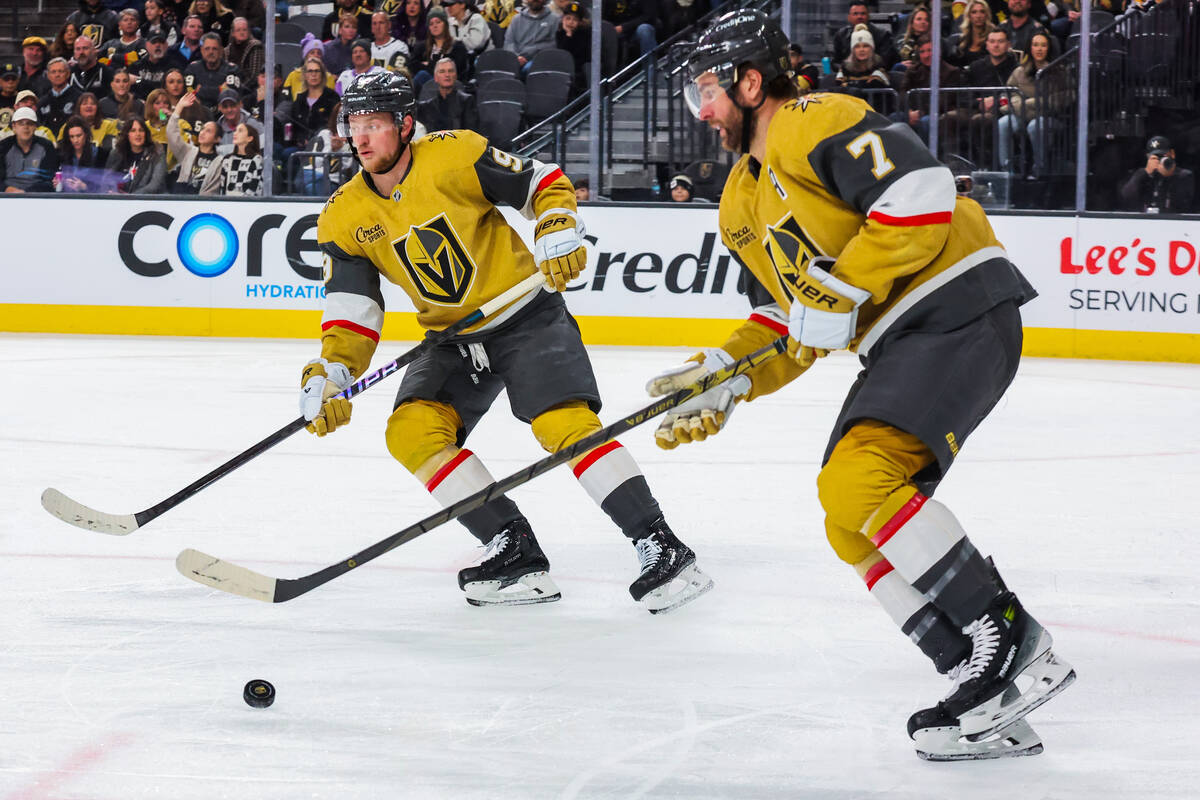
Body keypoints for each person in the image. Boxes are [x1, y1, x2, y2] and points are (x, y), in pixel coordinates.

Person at [668, 8, 1074, 760]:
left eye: (708, 92)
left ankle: (1008, 636)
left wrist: (840, 288)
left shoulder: (810, 118)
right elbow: (793, 322)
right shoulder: (738, 204)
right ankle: (979, 681)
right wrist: (725, 373)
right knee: (846, 518)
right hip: (901, 337)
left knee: (858, 481)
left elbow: (921, 190)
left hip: (955, 301)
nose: (704, 111)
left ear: (750, 83)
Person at [304, 71, 712, 613]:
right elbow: (353, 310)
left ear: (404, 124)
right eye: (353, 125)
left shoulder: (455, 155)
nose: (360, 139)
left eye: (374, 124)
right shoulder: (343, 214)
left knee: (563, 426)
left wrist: (557, 227)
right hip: (452, 340)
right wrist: (332, 371)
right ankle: (513, 548)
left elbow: (542, 182)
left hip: (526, 317)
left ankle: (660, 545)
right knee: (411, 431)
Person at [996, 30, 1064, 174]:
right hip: (1023, 115)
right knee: (1003, 123)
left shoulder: (1059, 71)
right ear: (1030, 48)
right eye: (1035, 45)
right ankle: (1006, 171)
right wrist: (1016, 101)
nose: (1039, 49)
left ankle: (1040, 169)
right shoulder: (1019, 71)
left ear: (1049, 48)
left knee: (1035, 126)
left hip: (1051, 118)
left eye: (1043, 45)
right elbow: (1008, 93)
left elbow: (1066, 96)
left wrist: (1028, 103)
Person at [1120, 135, 1195, 213]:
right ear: (1148, 157)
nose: (1160, 160)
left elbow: (1184, 203)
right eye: (1156, 157)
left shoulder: (1184, 175)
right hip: (1145, 221)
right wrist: (1145, 173)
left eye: (1163, 156)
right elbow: (1126, 198)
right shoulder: (1142, 175)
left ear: (1172, 154)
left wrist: (1170, 174)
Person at [167, 89, 222, 192]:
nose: (202, 132)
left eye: (208, 131)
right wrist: (179, 107)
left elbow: (214, 190)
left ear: (217, 139)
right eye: (202, 129)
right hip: (181, 200)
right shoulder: (188, 151)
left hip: (204, 204)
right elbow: (171, 133)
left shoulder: (220, 161)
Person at [0, 107, 60, 192]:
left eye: (30, 123)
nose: (26, 127)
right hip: (6, 195)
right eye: (21, 123)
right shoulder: (3, 146)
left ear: (35, 126)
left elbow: (48, 180)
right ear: (14, 126)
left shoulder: (46, 146)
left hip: (37, 196)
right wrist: (8, 189)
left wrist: (26, 193)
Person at [107, 115, 167, 193]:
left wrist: (130, 197)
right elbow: (107, 179)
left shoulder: (157, 152)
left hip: (148, 200)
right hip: (119, 200)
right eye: (133, 130)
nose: (138, 134)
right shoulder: (117, 153)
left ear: (145, 133)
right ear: (127, 134)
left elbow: (155, 185)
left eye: (141, 130)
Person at [416, 57, 479, 133]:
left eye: (451, 71)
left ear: (455, 76)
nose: (447, 75)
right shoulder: (427, 106)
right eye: (442, 71)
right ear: (436, 78)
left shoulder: (467, 101)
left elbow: (471, 133)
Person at [55, 113, 114, 192]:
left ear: (86, 135)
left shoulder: (99, 154)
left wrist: (84, 187)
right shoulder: (62, 155)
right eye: (72, 137)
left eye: (79, 136)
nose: (75, 140)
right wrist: (58, 183)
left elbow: (103, 186)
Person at [411, 10, 470, 88]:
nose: (435, 26)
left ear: (445, 25)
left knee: (422, 75)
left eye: (438, 22)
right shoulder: (421, 47)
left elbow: (454, 70)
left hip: (451, 85)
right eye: (431, 24)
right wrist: (433, 66)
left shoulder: (457, 46)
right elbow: (412, 66)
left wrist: (428, 65)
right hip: (426, 87)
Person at [200, 120, 262, 194]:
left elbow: (256, 188)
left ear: (250, 138)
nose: (235, 133)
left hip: (247, 203)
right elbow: (222, 187)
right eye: (235, 130)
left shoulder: (256, 159)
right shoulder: (227, 159)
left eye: (240, 131)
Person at [185, 33, 242, 110]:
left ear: (221, 51)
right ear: (202, 50)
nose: (211, 52)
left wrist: (200, 91)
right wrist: (221, 89)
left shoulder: (232, 69)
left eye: (214, 49)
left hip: (224, 112)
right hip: (198, 112)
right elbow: (189, 93)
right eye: (207, 49)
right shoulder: (192, 68)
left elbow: (231, 95)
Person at [504, 0, 560, 75]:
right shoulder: (516, 19)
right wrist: (516, 57)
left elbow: (554, 43)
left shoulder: (555, 19)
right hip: (516, 60)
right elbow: (509, 42)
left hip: (540, 62)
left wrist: (530, 52)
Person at [833, 0, 896, 67]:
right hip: (847, 73)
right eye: (855, 14)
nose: (859, 17)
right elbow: (835, 62)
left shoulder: (883, 35)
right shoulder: (840, 35)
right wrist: (847, 68)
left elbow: (886, 62)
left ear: (868, 16)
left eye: (863, 13)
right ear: (849, 17)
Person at [601, 0, 657, 68]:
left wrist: (624, 27)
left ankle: (651, 72)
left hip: (636, 29)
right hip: (615, 31)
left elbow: (648, 16)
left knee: (644, 29)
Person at [835, 24, 891, 92]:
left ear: (872, 48)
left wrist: (847, 85)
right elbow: (837, 87)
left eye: (865, 46)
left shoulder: (879, 66)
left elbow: (873, 86)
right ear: (853, 50)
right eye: (857, 47)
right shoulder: (845, 67)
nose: (861, 50)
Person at [38, 59, 83, 134]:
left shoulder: (79, 98)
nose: (57, 75)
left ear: (68, 74)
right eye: (53, 72)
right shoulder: (42, 102)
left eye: (60, 71)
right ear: (48, 75)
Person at [948, 0, 995, 67]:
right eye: (974, 12)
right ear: (969, 15)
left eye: (982, 12)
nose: (978, 16)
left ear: (987, 14)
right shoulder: (961, 39)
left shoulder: (993, 37)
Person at [226, 16, 264, 90]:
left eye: (244, 30)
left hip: (249, 89)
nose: (242, 33)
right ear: (233, 33)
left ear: (249, 32)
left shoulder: (255, 46)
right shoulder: (227, 50)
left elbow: (254, 76)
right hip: (230, 88)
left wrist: (239, 89)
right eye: (238, 30)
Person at [895, 5, 933, 69]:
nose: (923, 22)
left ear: (930, 24)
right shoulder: (902, 41)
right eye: (919, 19)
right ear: (912, 23)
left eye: (926, 20)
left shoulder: (935, 42)